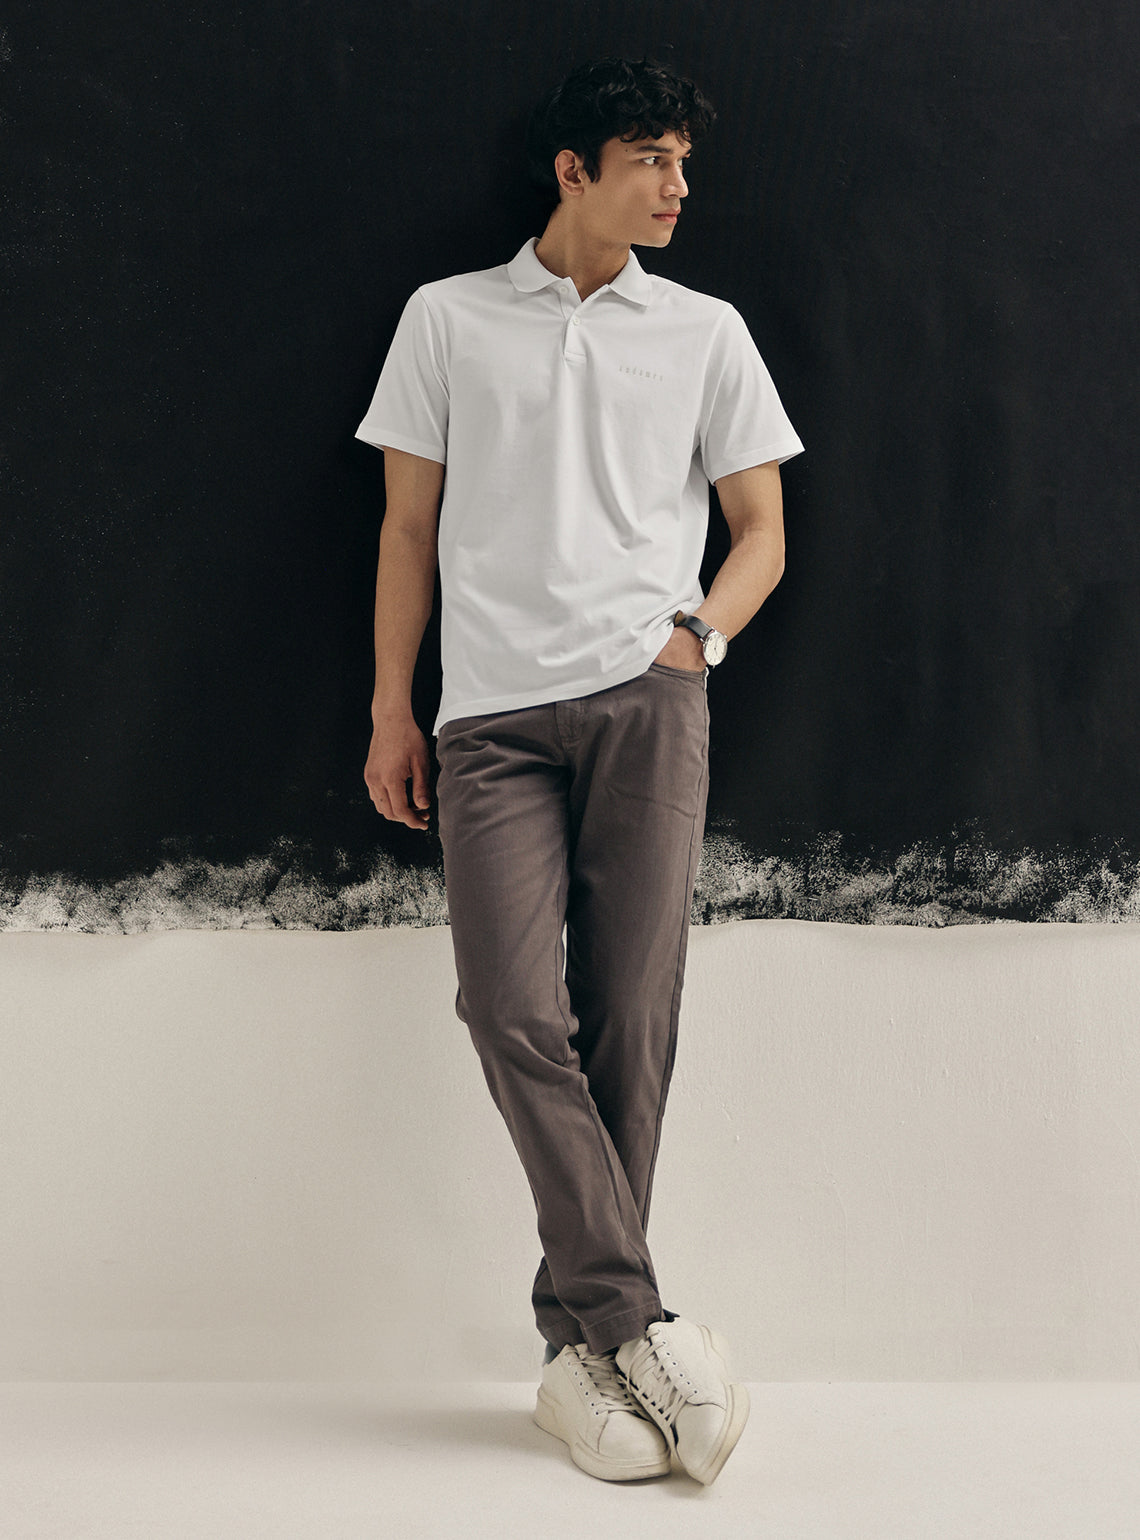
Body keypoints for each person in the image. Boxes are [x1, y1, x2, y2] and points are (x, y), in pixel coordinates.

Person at [356, 55, 803, 1485]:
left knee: (632, 1016)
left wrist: (697, 641)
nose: (677, 187)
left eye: (684, 162)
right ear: (572, 171)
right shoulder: (446, 319)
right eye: (650, 158)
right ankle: (638, 1319)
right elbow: (407, 531)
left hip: (649, 700)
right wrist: (393, 708)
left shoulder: (706, 330)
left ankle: (576, 1357)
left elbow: (762, 532)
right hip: (488, 718)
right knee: (508, 1006)